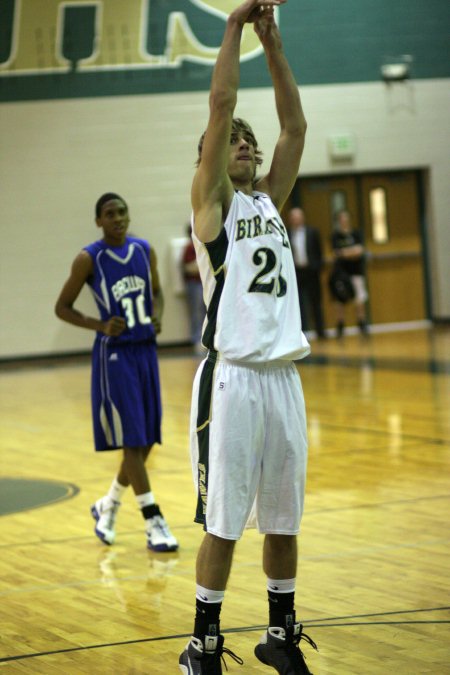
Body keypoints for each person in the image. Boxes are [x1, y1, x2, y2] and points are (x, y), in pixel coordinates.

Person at [178, 2, 318, 673]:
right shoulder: (213, 206)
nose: (245, 143)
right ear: (208, 154)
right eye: (231, 138)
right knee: (225, 520)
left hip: (284, 375)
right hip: (231, 378)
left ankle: (280, 632)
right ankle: (202, 641)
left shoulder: (268, 198)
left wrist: (276, 41)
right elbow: (222, 98)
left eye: (248, 140)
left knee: (284, 518)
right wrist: (234, 29)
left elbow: (295, 124)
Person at [55, 193, 178, 553]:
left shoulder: (144, 250)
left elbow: (157, 293)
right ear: (99, 221)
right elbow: (61, 307)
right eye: (110, 214)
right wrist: (99, 324)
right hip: (115, 357)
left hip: (146, 352)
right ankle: (153, 520)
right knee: (131, 441)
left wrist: (157, 316)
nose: (118, 218)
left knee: (146, 441)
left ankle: (108, 505)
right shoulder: (88, 258)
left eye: (122, 212)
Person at [288, 207, 326, 339]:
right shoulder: (287, 233)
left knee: (316, 302)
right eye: (293, 217)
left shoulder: (312, 232)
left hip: (311, 272)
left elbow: (319, 252)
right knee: (297, 304)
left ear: (303, 218)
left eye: (298, 216)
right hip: (296, 273)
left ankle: (321, 332)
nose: (296, 219)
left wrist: (317, 267)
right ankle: (301, 333)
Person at [331, 208, 369, 338]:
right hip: (342, 273)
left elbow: (360, 250)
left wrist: (346, 252)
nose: (344, 221)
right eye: (342, 219)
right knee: (340, 300)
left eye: (346, 218)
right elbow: (337, 253)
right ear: (339, 221)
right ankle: (340, 325)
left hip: (356, 271)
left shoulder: (356, 234)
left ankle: (361, 324)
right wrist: (350, 252)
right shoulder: (336, 236)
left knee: (359, 298)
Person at [181, 224, 206, 354]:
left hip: (204, 283)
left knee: (206, 312)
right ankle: (197, 340)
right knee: (196, 313)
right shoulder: (190, 248)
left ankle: (207, 340)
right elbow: (189, 268)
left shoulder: (203, 245)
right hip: (195, 284)